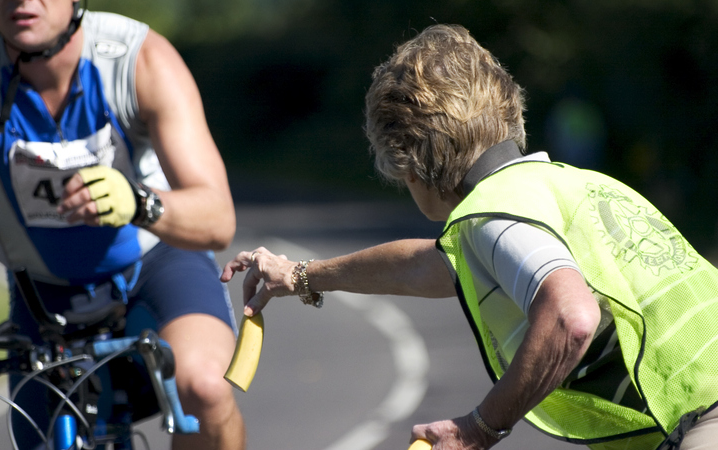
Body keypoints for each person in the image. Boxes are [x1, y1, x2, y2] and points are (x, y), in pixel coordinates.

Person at [221, 24, 718, 450]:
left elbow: (572, 317)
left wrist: (478, 428)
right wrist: (302, 275)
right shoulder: (569, 183)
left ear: (411, 164)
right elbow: (426, 266)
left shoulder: (492, 214)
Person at [0, 1, 245, 449]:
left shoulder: (139, 57)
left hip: (156, 264)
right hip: (42, 289)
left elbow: (218, 220)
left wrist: (139, 202)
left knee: (206, 390)